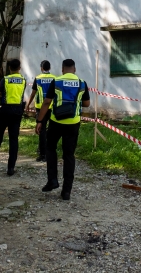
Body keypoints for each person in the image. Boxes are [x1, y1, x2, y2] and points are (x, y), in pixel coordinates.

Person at [34, 58, 89, 201]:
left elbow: (47, 102)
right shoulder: (82, 83)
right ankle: (66, 191)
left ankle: (52, 180)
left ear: (63, 69)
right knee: (69, 155)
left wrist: (40, 121)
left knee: (50, 148)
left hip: (56, 122)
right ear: (74, 69)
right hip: (73, 123)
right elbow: (87, 103)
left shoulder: (56, 81)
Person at [25, 60, 56, 162]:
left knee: (41, 130)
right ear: (49, 68)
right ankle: (50, 152)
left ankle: (43, 154)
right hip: (52, 107)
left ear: (41, 68)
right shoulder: (54, 78)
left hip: (40, 108)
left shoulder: (38, 78)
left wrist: (28, 104)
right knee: (51, 130)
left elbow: (33, 93)